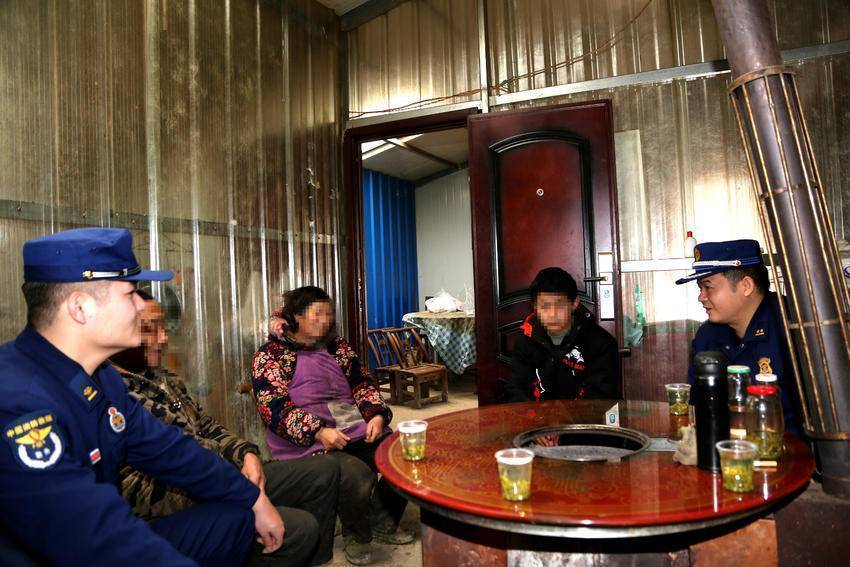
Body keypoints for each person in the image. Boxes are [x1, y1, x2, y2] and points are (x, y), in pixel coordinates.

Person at [0, 227, 283, 565]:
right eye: (130, 293)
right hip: (73, 547)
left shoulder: (101, 379)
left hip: (93, 536)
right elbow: (93, 536)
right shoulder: (17, 403)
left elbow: (171, 451)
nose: (140, 305)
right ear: (80, 308)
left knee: (235, 518)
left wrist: (252, 499)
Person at [111, 290, 340, 566]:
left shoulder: (164, 379)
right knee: (298, 529)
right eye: (149, 329)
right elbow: (140, 489)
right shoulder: (113, 398)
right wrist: (232, 483)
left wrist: (245, 453)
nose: (163, 338)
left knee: (324, 469)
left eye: (162, 327)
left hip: (225, 476)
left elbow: (206, 426)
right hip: (186, 499)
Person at [252, 286, 413, 566]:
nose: (325, 320)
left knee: (405, 455)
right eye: (317, 313)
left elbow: (362, 382)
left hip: (352, 427)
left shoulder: (337, 347)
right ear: (296, 317)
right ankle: (357, 535)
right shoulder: (271, 354)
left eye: (329, 313)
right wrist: (317, 430)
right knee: (356, 474)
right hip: (307, 440)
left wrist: (375, 415)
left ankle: (382, 521)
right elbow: (273, 407)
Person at [676, 239, 802, 435]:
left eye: (708, 287)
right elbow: (697, 406)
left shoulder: (793, 327)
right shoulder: (707, 336)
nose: (701, 297)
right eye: (700, 288)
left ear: (746, 286)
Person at [505, 267, 620, 404]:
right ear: (535, 307)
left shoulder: (600, 343)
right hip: (538, 415)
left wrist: (566, 415)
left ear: (574, 303)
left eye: (559, 305)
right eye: (545, 306)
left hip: (584, 416)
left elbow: (602, 396)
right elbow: (516, 388)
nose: (552, 314)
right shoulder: (526, 340)